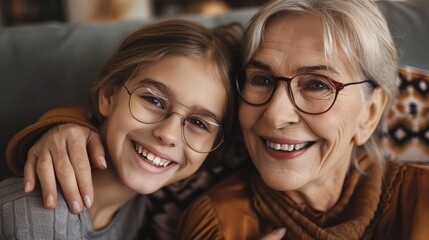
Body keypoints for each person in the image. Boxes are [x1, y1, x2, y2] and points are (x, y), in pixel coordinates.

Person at [4, 0, 429, 239]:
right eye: (261, 79)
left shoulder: (414, 167)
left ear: (371, 113)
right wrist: (65, 125)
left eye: (317, 85)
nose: (276, 114)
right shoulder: (209, 199)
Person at [0, 19, 242, 239]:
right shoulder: (37, 212)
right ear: (108, 96)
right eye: (154, 100)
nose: (167, 134)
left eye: (198, 123)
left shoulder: (137, 210)